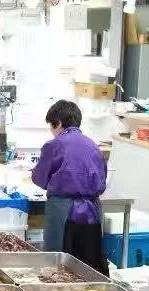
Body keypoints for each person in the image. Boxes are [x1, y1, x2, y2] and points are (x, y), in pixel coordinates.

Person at [31, 100, 109, 275]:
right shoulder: (93, 145)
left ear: (57, 123)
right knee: (89, 261)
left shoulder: (55, 145)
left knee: (57, 263)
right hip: (93, 210)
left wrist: (34, 173)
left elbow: (40, 178)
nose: (52, 133)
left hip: (64, 209)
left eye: (51, 126)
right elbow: (103, 178)